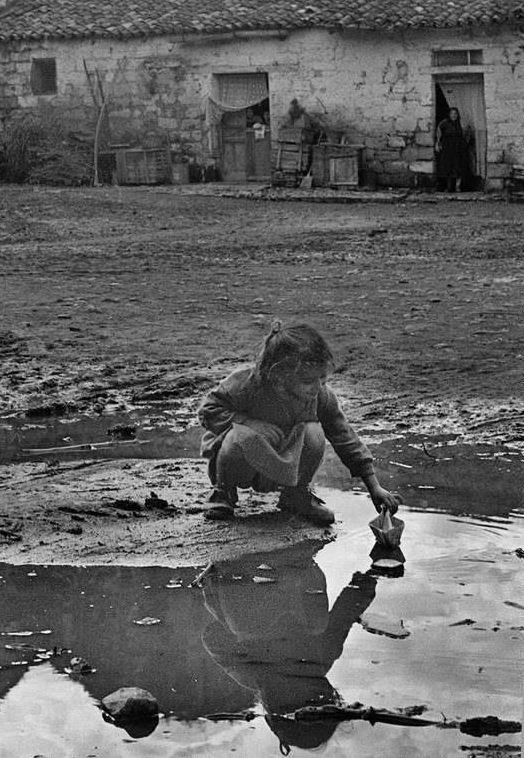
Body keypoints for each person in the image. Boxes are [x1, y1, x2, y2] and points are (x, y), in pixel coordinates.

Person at [199, 320, 399, 524]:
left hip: (285, 464)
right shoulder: (246, 384)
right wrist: (248, 422)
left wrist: (374, 487)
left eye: (322, 378)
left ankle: (296, 496)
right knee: (237, 436)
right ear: (278, 378)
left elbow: (344, 436)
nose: (317, 387)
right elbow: (208, 410)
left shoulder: (320, 396)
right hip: (243, 463)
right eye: (308, 381)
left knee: (314, 433)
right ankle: (223, 493)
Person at [201, 545, 378, 750]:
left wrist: (245, 629)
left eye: (301, 700)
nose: (310, 693)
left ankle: (238, 562)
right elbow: (345, 612)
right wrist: (372, 576)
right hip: (292, 572)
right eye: (316, 698)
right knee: (316, 623)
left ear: (276, 705)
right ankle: (297, 558)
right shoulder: (320, 662)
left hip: (237, 576)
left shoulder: (249, 673)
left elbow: (211, 635)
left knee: (248, 627)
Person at [435, 106, 471, 193]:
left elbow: (467, 133)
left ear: (458, 115)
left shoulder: (462, 123)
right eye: (452, 114)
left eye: (455, 113)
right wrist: (438, 144)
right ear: (449, 115)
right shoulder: (443, 124)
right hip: (447, 149)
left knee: (459, 166)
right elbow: (438, 135)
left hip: (459, 148)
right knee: (448, 167)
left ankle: (458, 187)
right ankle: (449, 187)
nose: (454, 115)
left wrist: (464, 143)